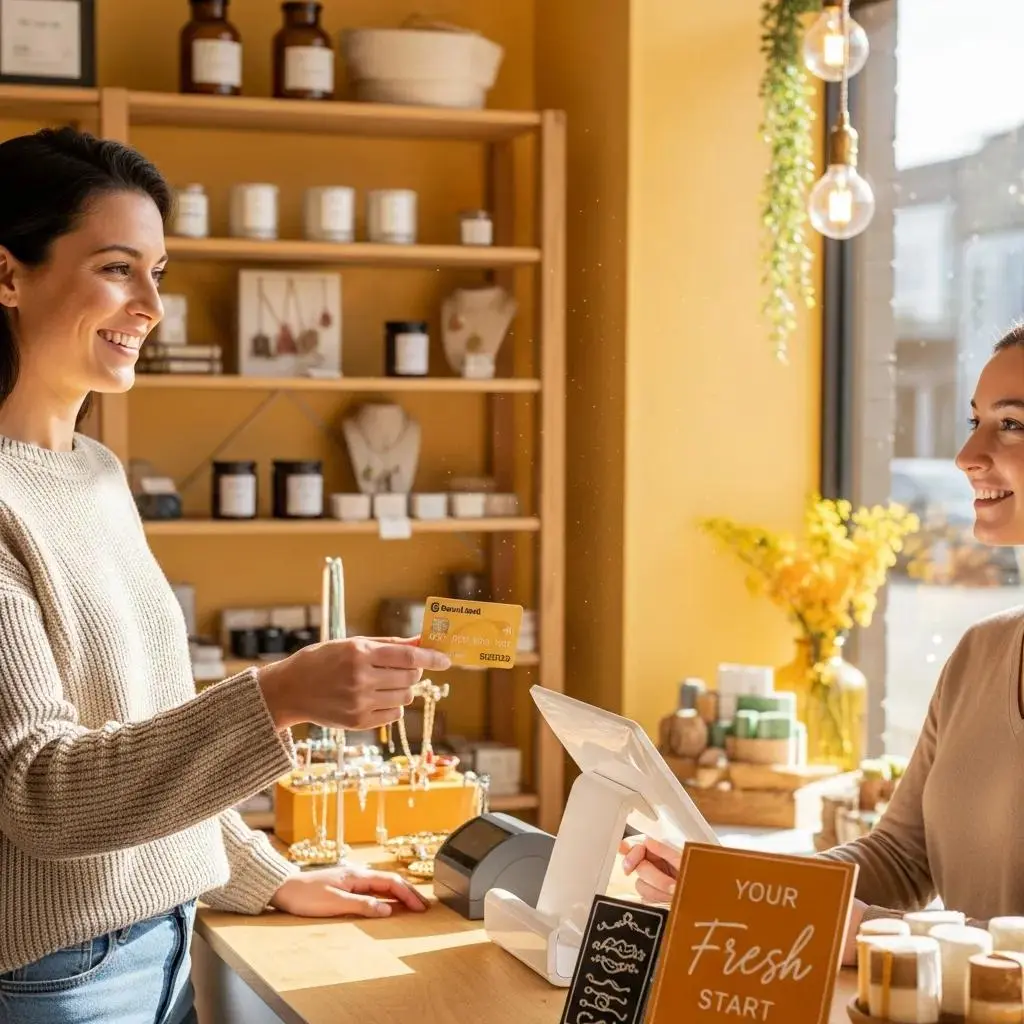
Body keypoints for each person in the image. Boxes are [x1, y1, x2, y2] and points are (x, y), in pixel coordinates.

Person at [0, 126, 450, 1023]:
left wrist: (268, 875)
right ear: (8, 275)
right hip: (58, 977)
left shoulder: (93, 473)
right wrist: (277, 695)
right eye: (118, 269)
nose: (152, 308)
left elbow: (147, 733)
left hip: (166, 944)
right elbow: (39, 791)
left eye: (157, 273)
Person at [621, 322, 1024, 964]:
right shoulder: (980, 655)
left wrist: (868, 934)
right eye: (974, 420)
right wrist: (737, 888)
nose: (967, 454)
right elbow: (897, 856)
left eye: (1012, 425)